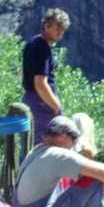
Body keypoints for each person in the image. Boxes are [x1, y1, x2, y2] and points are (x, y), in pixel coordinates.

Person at [13, 116, 104, 207]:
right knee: (95, 179)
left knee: (75, 177)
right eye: (74, 140)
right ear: (62, 136)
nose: (74, 145)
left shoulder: (37, 150)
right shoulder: (57, 155)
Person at [22, 8, 70, 144]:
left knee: (32, 144)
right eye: (58, 28)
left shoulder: (32, 43)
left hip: (31, 99)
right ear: (47, 25)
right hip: (41, 103)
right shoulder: (42, 47)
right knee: (44, 145)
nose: (61, 33)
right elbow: (41, 84)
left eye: (63, 29)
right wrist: (56, 106)